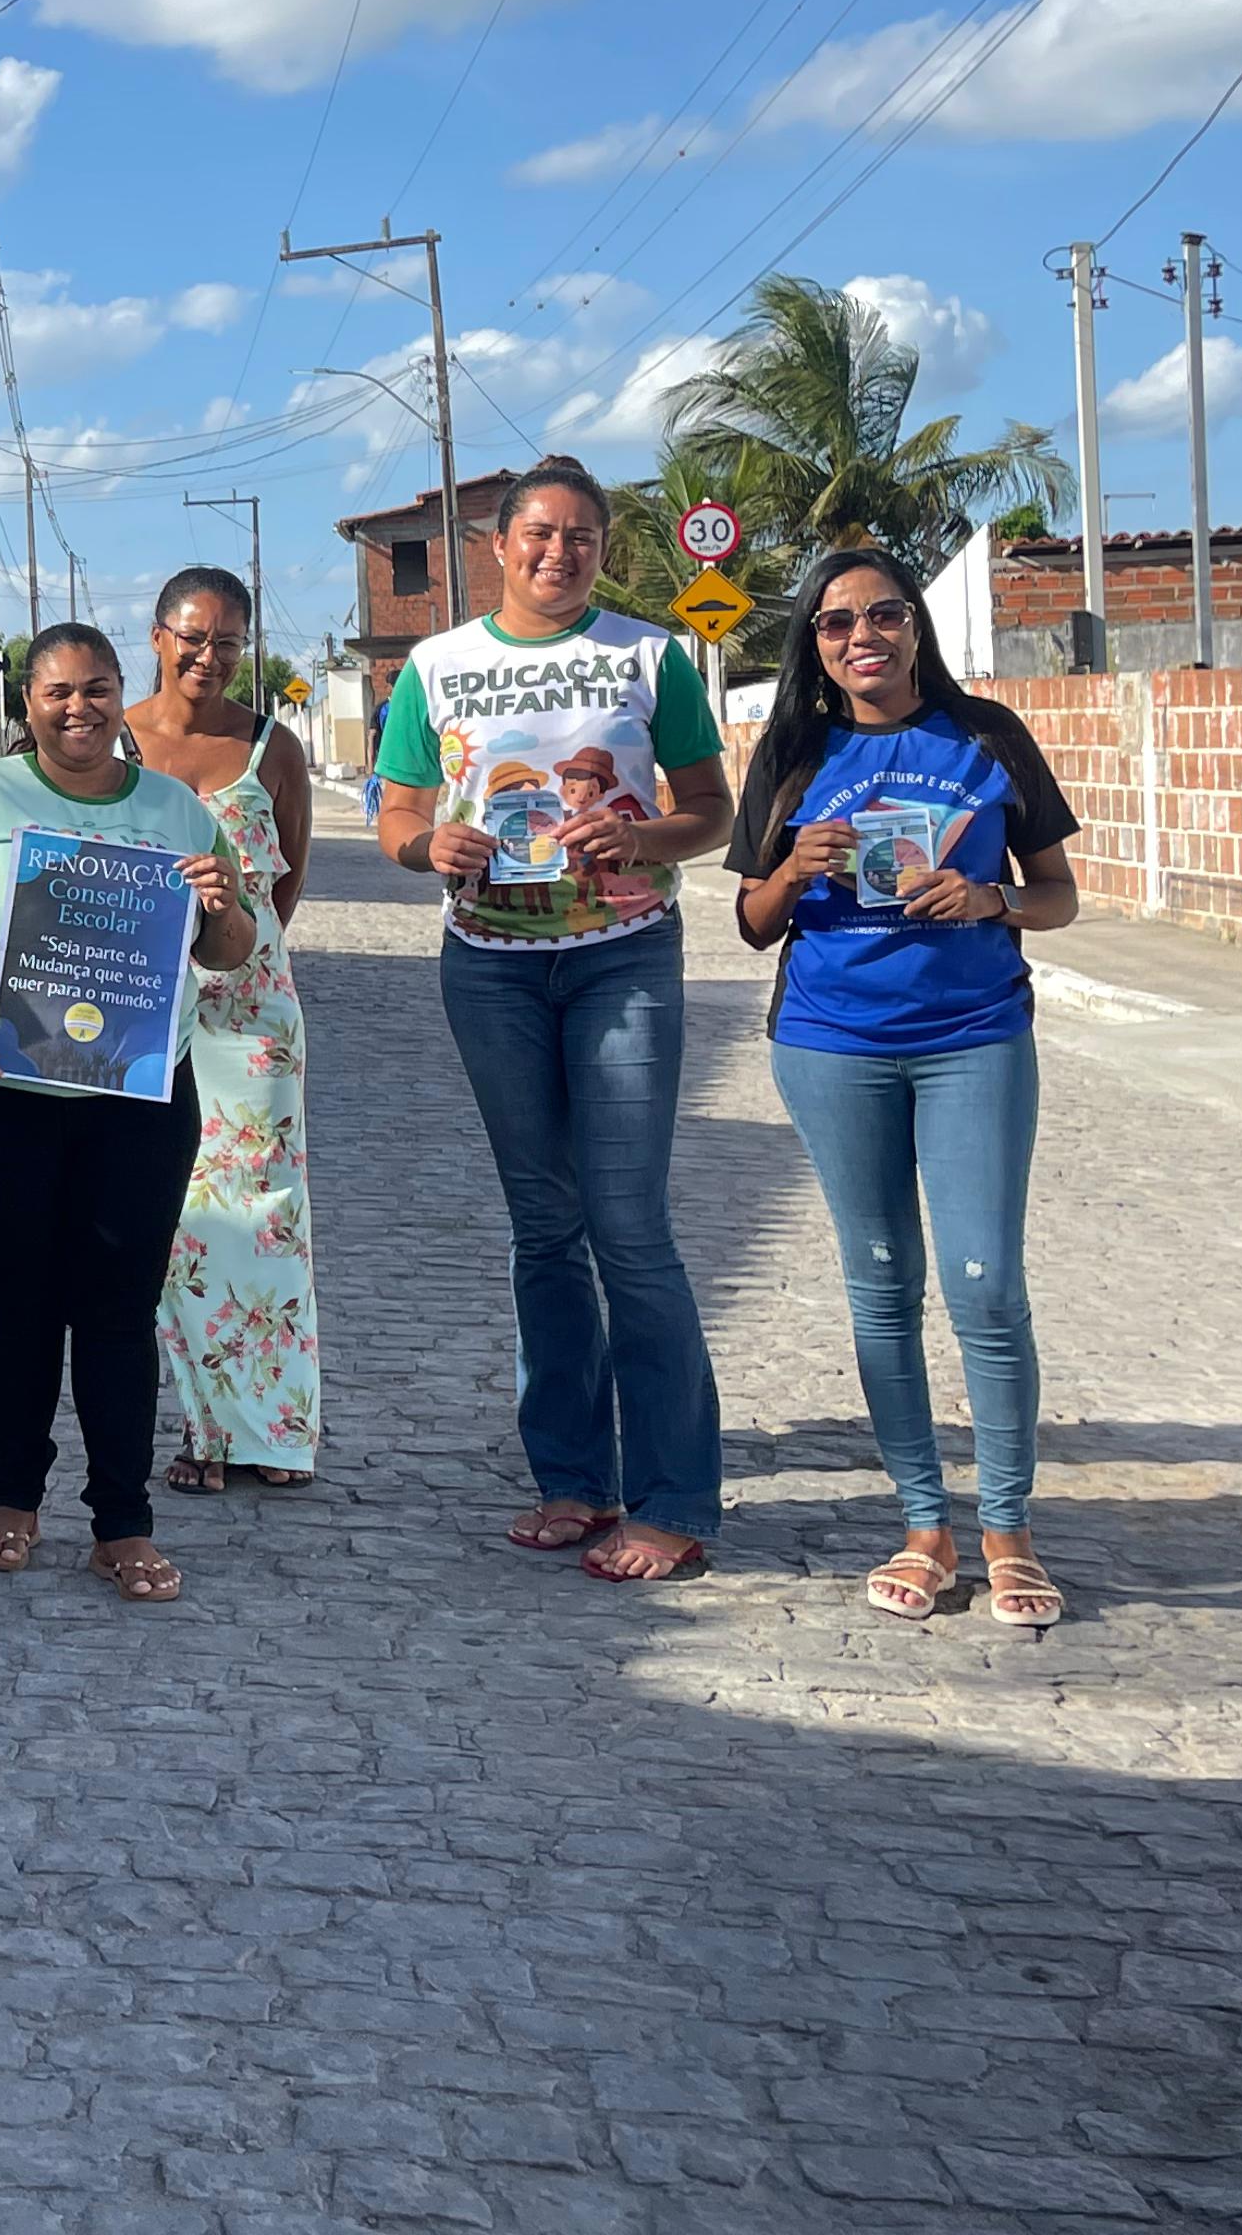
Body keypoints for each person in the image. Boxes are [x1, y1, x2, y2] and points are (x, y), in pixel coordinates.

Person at [373, 456, 735, 1585]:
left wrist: (641, 837)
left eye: (582, 537)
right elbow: (398, 813)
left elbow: (711, 812)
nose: (559, 553)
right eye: (540, 533)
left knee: (629, 1226)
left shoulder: (650, 656)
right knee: (543, 1225)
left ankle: (674, 1497)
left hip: (623, 957)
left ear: (603, 551)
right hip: (491, 970)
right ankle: (573, 1478)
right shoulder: (435, 666)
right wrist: (426, 846)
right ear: (497, 544)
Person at [726, 547, 1083, 1633]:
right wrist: (797, 867)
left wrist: (990, 900)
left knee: (986, 1283)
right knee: (882, 1283)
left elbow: (1059, 896)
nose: (862, 637)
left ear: (916, 626)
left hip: (974, 1037)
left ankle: (1009, 1527)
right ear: (816, 644)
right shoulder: (795, 752)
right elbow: (752, 923)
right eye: (837, 624)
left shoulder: (988, 738)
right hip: (832, 1044)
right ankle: (926, 1525)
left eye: (883, 614)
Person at [0, 624, 254, 1603]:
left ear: (120, 694)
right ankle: (12, 1499)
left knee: (119, 1310)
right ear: (28, 703)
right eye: (57, 692)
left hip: (137, 1103)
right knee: (16, 1302)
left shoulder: (176, 812)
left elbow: (228, 950)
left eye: (96, 689)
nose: (78, 708)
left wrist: (222, 904)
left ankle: (122, 1522)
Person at [118, 572, 324, 1493]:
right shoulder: (111, 738)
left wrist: (237, 952)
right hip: (128, 1009)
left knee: (264, 1216)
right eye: (194, 638)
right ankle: (206, 1428)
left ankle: (275, 1433)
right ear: (158, 636)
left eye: (229, 642)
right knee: (173, 1220)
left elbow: (287, 880)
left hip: (250, 1012)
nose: (210, 657)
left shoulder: (273, 747)